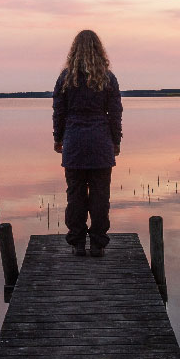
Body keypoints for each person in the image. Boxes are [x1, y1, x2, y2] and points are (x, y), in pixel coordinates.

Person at [52, 30, 123, 257]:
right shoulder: (107, 78)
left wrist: (58, 138)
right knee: (101, 195)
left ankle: (78, 243)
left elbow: (59, 113)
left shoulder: (65, 78)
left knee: (75, 195)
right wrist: (115, 140)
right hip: (100, 142)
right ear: (98, 50)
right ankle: (98, 244)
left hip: (74, 142)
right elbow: (115, 113)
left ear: (74, 51)